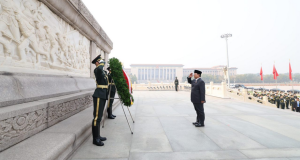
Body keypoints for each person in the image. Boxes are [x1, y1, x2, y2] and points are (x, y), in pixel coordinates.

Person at [91, 55, 108, 146]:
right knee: (97, 117)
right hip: (98, 95)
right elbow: (100, 69)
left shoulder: (102, 71)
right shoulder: (97, 70)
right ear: (97, 63)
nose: (102, 63)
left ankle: (98, 135)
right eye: (100, 61)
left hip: (103, 95)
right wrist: (101, 64)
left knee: (100, 116)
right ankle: (95, 139)